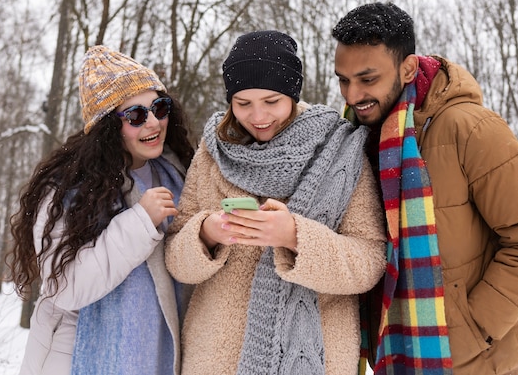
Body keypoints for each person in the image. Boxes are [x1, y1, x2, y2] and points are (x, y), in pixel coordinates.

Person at [332, 2, 518, 375]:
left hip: (470, 363)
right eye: (343, 80)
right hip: (390, 357)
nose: (351, 95)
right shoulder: (355, 141)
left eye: (367, 78)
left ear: (407, 68)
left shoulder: (469, 128)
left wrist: (474, 329)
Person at [164, 30, 388, 375]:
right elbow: (176, 260)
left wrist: (295, 237)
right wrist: (206, 234)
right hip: (215, 359)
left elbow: (370, 262)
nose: (257, 116)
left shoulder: (339, 151)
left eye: (271, 102)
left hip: (313, 356)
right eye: (243, 103)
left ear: (293, 95)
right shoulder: (213, 152)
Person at [7, 45, 195, 375]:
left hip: (160, 358)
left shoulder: (177, 174)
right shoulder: (67, 189)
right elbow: (66, 288)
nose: (153, 122)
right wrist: (140, 223)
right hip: (75, 358)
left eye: (159, 107)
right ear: (109, 126)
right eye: (136, 115)